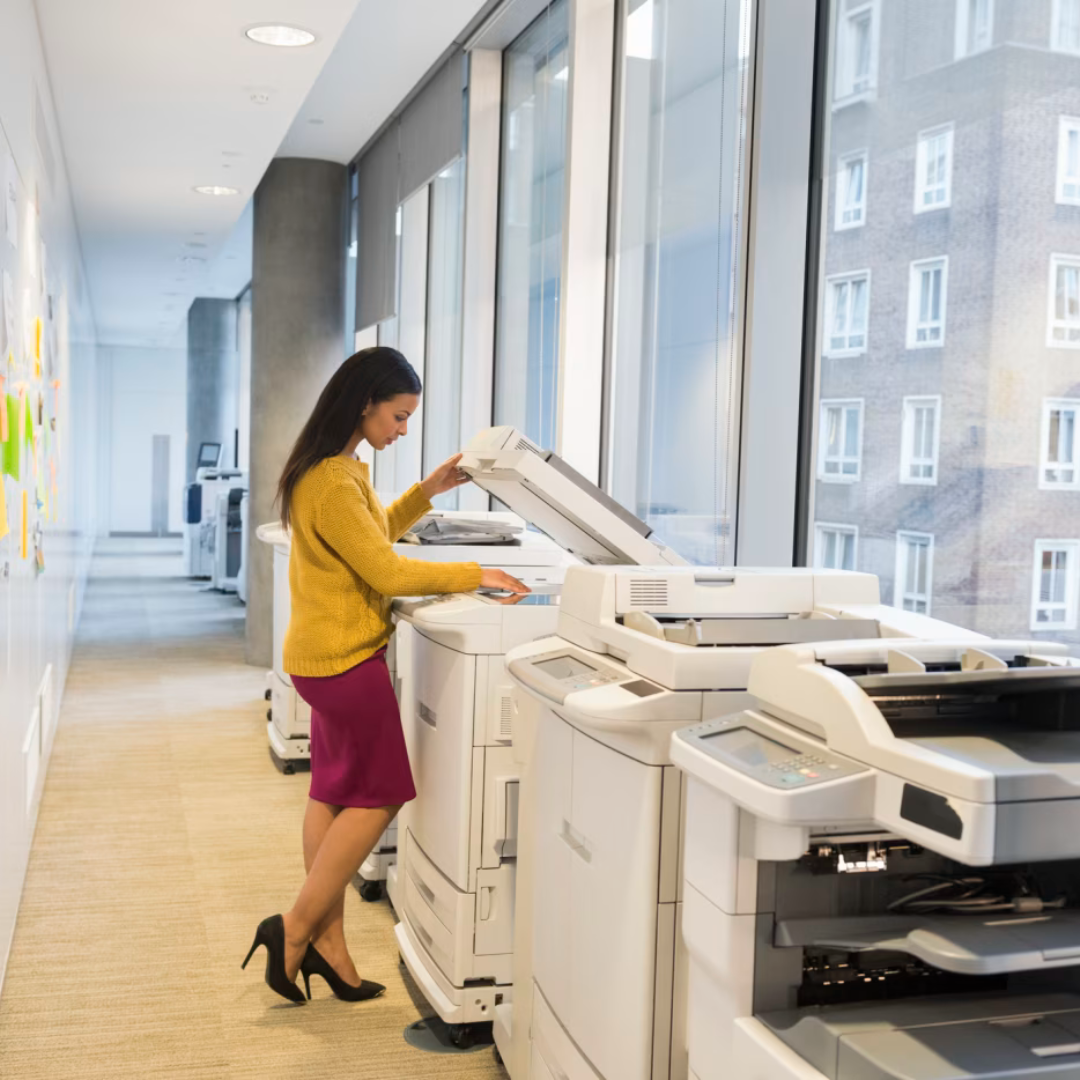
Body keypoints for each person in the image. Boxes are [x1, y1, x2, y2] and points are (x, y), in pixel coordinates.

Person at [242, 346, 529, 1004]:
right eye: (398, 416)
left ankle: (330, 946)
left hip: (322, 660)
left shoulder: (334, 469)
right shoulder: (334, 480)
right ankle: (292, 930)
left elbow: (371, 539)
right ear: (364, 402)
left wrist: (426, 493)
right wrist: (478, 574)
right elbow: (388, 571)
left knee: (333, 794)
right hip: (345, 664)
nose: (402, 430)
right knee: (382, 794)